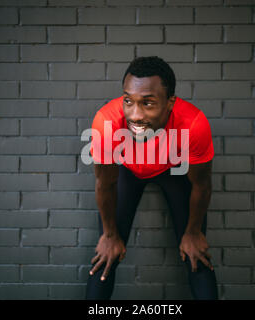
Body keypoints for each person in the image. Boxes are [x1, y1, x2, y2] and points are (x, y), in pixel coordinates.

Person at [85, 56, 218, 300]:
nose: (135, 115)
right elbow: (105, 183)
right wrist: (110, 235)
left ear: (170, 103)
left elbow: (202, 184)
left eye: (148, 103)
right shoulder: (106, 123)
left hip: (173, 170)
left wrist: (193, 232)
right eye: (128, 101)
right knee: (106, 257)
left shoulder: (193, 124)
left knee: (196, 256)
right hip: (128, 171)